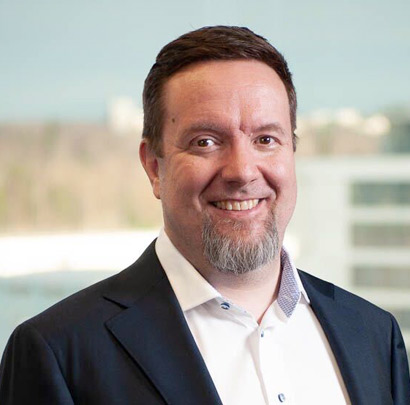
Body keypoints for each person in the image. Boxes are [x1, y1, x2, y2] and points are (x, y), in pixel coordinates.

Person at [0, 26, 409, 405]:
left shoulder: (373, 335)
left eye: (266, 139)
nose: (242, 172)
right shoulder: (59, 352)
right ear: (154, 166)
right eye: (206, 142)